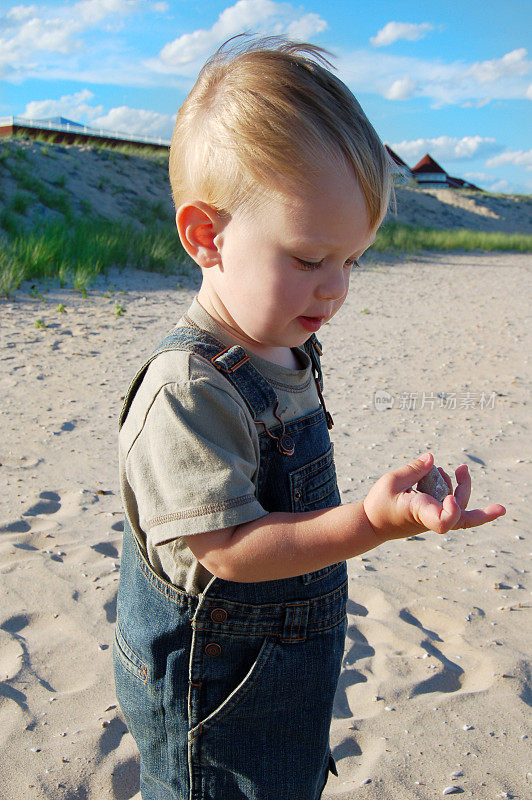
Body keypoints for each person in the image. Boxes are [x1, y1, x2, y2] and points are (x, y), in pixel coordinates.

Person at [113, 35, 506, 800]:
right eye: (307, 258)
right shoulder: (188, 389)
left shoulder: (283, 349)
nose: (335, 290)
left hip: (279, 677)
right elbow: (226, 549)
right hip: (211, 704)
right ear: (206, 237)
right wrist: (370, 521)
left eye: (353, 260)